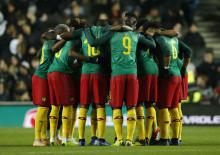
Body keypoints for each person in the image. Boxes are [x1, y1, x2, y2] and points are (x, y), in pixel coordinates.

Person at [85, 12, 156, 146]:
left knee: (116, 107)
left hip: (117, 74)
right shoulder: (136, 35)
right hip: (132, 74)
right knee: (131, 107)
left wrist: (87, 29)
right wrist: (147, 34)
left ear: (123, 22)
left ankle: (119, 139)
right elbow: (152, 46)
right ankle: (129, 139)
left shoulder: (112, 33)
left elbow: (94, 43)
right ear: (134, 25)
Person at [152, 23, 192, 146]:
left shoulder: (159, 39)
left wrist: (165, 67)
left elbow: (167, 51)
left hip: (168, 76)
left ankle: (164, 139)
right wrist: (184, 68)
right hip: (177, 75)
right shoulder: (174, 39)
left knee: (163, 107)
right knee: (174, 107)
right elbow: (188, 51)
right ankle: (175, 139)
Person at [32, 29, 56, 146]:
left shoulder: (47, 43)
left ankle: (43, 137)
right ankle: (37, 139)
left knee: (46, 108)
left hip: (42, 77)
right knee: (42, 108)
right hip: (42, 77)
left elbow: (37, 54)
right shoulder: (52, 43)